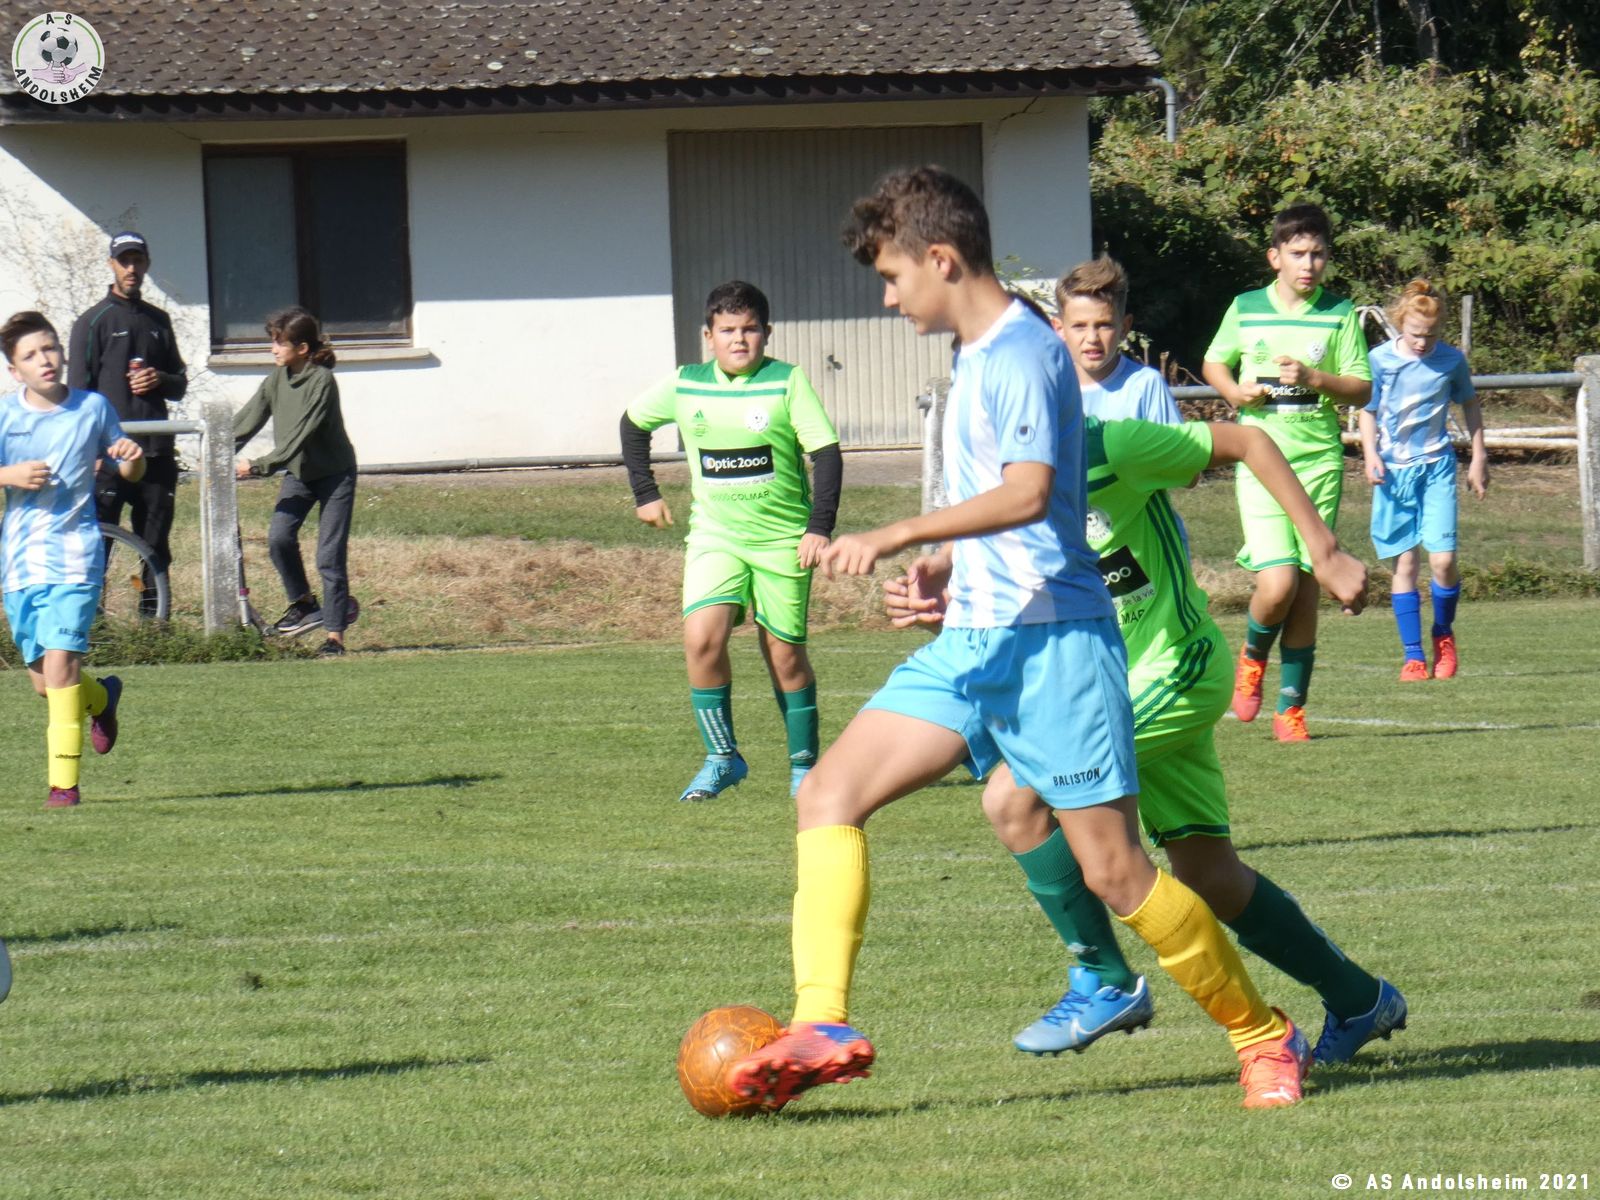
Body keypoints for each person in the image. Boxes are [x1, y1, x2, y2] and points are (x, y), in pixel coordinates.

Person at [728, 166, 1311, 1112]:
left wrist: (901, 531)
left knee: (1117, 871)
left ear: (941, 258)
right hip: (975, 643)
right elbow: (1004, 506)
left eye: (892, 277)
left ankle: (1264, 1035)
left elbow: (1032, 491)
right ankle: (820, 1022)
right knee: (828, 794)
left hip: (1056, 646)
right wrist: (946, 568)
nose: (888, 299)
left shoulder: (1025, 352)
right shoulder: (976, 357)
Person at [885, 414, 1404, 1067]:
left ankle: (1104, 978)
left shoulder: (1112, 444)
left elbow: (1248, 440)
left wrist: (1323, 551)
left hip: (1171, 672)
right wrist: (943, 585)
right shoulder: (1010, 474)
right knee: (1210, 875)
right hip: (1097, 681)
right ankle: (1360, 999)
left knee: (1016, 797)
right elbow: (1011, 563)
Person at [620, 281, 842, 802]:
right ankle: (722, 758)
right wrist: (645, 493)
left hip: (782, 542)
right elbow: (632, 424)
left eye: (749, 329)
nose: (738, 339)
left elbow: (826, 453)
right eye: (727, 330)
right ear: (708, 336)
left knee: (783, 655)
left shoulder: (786, 382)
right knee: (701, 640)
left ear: (766, 333)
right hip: (715, 538)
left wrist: (819, 527)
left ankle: (804, 767)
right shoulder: (685, 384)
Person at [1201, 203, 1371, 742]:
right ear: (1275, 257)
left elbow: (1362, 388)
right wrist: (1235, 392)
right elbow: (1213, 362)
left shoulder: (1339, 313)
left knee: (1305, 587)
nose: (1308, 264)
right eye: (1298, 253)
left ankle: (1291, 708)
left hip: (1317, 462)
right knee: (1276, 586)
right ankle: (1252, 658)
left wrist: (1316, 378)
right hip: (1259, 462)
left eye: (1318, 254)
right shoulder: (1246, 307)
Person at [1, 311, 144, 808]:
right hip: (19, 563)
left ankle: (64, 787)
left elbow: (128, 468)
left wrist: (132, 458)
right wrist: (9, 475)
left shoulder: (92, 408)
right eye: (31, 354)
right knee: (47, 684)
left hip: (75, 555)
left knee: (61, 665)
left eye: (50, 348)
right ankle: (101, 699)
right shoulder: (5, 415)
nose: (44, 359)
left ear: (62, 352)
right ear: (14, 370)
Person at [1360, 279, 1486, 681]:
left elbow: (1470, 404)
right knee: (1406, 562)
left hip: (1436, 466)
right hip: (1393, 473)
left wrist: (1479, 457)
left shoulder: (1451, 360)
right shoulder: (1379, 360)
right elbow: (1368, 410)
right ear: (1400, 324)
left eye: (1430, 335)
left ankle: (1443, 634)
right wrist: (1370, 454)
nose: (1422, 342)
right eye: (1415, 333)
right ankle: (1413, 656)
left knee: (1443, 560)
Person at [68, 231, 187, 614]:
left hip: (155, 454)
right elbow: (76, 398)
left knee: (155, 548)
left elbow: (179, 385)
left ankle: (154, 627)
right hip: (109, 457)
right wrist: (90, 455)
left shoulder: (159, 320)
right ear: (112, 265)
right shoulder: (92, 322)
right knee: (97, 546)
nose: (131, 268)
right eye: (124, 261)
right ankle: (92, 625)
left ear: (147, 263)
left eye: (137, 260)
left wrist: (159, 379)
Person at [232, 307, 358, 658]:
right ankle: (304, 603)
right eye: (272, 341)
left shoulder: (321, 382)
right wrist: (212, 449)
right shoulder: (276, 380)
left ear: (302, 348)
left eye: (279, 342)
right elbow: (245, 421)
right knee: (279, 538)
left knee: (328, 556)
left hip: (335, 475)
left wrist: (257, 467)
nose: (273, 349)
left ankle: (334, 637)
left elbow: (299, 437)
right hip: (300, 473)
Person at [1053, 256, 1183, 424]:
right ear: (1059, 329)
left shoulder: (1145, 385)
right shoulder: (1049, 390)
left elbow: (1171, 442)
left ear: (1124, 327)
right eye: (1079, 326)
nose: (1092, 338)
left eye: (1104, 325)